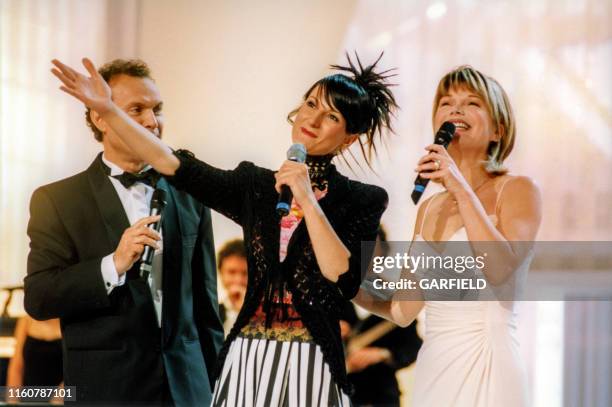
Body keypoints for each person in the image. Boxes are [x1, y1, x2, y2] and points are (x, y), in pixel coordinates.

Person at [50, 53, 396, 406]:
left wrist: (307, 200)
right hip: (246, 356)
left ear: (349, 138)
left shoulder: (363, 199)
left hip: (313, 359)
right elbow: (174, 163)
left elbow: (343, 275)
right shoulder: (255, 186)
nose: (314, 119)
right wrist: (108, 111)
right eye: (311, 104)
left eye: (332, 116)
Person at [25, 59, 223, 405]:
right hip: (108, 389)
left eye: (157, 109)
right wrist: (112, 264)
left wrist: (215, 384)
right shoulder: (58, 200)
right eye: (137, 109)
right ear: (100, 117)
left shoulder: (191, 193)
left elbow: (206, 306)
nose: (152, 121)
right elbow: (39, 298)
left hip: (187, 389)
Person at [355, 65, 542, 406]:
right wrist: (347, 284)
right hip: (436, 367)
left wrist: (459, 185)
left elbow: (502, 272)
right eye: (446, 102)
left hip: (488, 360)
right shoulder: (430, 209)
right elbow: (402, 310)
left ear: (498, 130)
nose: (455, 109)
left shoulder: (517, 190)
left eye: (471, 102)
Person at [346, 227, 422, 407]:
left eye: (373, 250)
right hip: (336, 388)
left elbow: (412, 346)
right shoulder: (332, 293)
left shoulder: (395, 299)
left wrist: (381, 354)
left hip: (379, 393)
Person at [6, 316, 62, 403]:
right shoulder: (25, 321)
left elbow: (76, 369)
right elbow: (16, 367)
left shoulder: (71, 323)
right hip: (27, 396)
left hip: (61, 398)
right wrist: (13, 401)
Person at [216, 239, 248, 336]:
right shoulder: (211, 313)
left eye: (245, 273)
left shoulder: (264, 316)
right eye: (232, 272)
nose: (238, 280)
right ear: (221, 273)